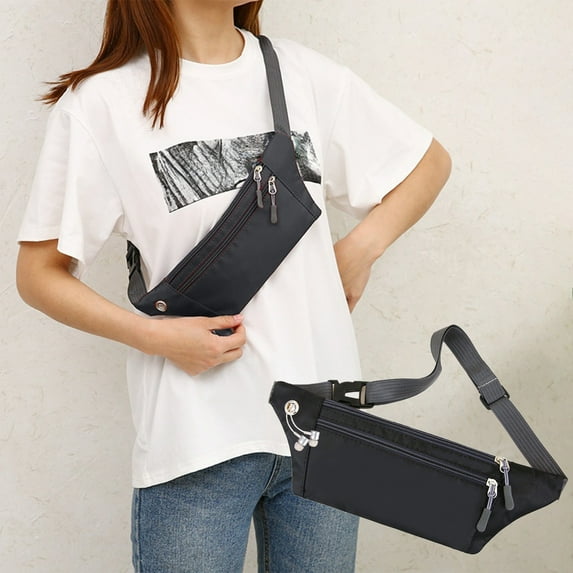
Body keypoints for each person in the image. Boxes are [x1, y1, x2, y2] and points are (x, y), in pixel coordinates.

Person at [16, 1, 451, 571]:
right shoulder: (103, 103)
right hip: (197, 441)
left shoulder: (303, 75)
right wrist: (155, 337)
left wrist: (359, 250)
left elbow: (428, 163)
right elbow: (38, 275)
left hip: (322, 432)